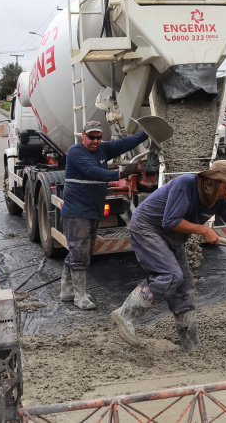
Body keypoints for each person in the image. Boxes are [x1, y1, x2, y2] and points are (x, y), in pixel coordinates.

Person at [111, 161, 226, 352]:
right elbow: (170, 220)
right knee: (171, 275)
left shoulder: (220, 200)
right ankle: (126, 314)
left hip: (173, 238)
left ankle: (191, 346)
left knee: (185, 289)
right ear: (213, 180)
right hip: (148, 228)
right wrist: (203, 230)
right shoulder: (186, 184)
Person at [60, 120, 147, 310]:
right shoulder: (75, 152)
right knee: (79, 253)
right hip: (77, 212)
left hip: (93, 211)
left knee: (83, 251)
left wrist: (146, 133)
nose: (95, 141)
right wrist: (119, 174)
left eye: (99, 137)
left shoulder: (102, 149)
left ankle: (67, 290)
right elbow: (92, 171)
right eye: (91, 137)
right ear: (83, 135)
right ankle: (79, 296)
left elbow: (124, 144)